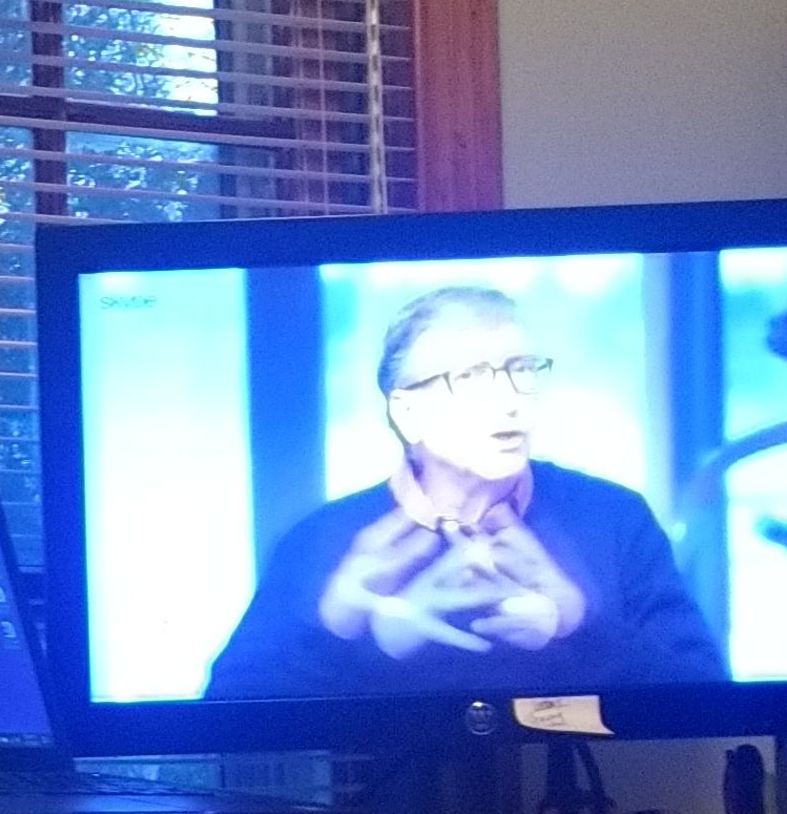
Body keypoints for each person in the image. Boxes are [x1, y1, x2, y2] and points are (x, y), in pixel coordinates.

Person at [206, 284, 728, 699]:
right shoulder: (321, 542)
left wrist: (577, 624)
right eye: (474, 377)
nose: (511, 401)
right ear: (407, 413)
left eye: (521, 369)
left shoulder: (614, 518)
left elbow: (703, 693)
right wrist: (339, 629)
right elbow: (229, 712)